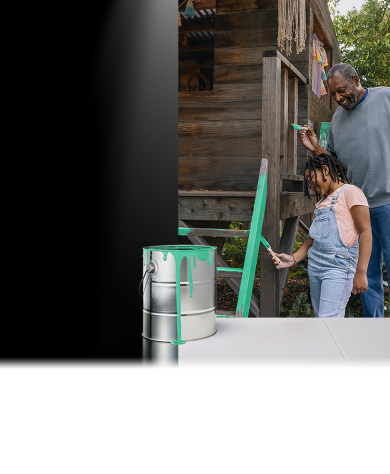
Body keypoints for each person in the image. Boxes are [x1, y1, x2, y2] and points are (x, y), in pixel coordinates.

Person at [298, 63, 390, 317]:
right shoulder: (337, 120)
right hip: (357, 208)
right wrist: (316, 148)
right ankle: (373, 330)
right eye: (333, 94)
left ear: (356, 80)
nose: (338, 98)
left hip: (389, 202)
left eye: (341, 91)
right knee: (366, 275)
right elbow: (335, 164)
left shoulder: (385, 98)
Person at [272, 153, 372, 318]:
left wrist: (361, 272)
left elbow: (366, 231)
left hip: (337, 267)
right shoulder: (321, 203)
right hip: (315, 266)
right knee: (322, 320)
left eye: (310, 178)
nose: (310, 184)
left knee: (328, 321)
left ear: (325, 170)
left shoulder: (350, 192)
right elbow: (312, 241)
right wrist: (293, 258)